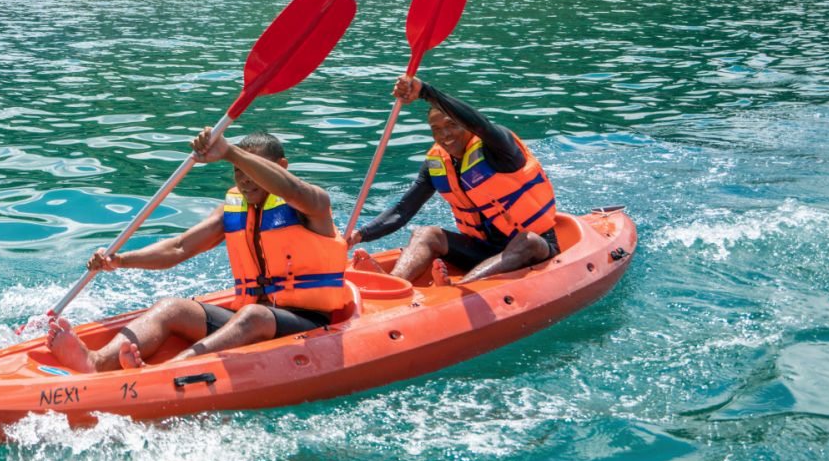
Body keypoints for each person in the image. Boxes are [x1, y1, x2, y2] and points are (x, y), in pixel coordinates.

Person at [46, 128, 352, 373]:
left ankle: (166, 372)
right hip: (247, 318)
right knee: (173, 308)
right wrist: (122, 260)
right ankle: (97, 362)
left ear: (281, 167)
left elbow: (292, 190)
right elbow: (179, 247)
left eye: (252, 170)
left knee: (254, 315)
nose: (244, 180)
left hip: (308, 321)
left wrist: (231, 151)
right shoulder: (233, 210)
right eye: (237, 171)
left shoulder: (312, 203)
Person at [349, 75, 559, 286]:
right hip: (481, 251)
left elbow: (481, 124)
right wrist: (359, 235)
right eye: (436, 129)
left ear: (467, 126)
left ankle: (458, 290)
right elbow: (403, 210)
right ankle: (393, 284)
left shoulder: (499, 149)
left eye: (451, 125)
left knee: (528, 240)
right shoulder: (436, 164)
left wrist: (425, 92)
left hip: (533, 248)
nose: (445, 135)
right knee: (426, 233)